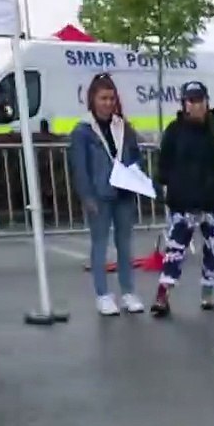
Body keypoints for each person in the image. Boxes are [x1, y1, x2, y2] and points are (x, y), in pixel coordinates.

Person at [150, 81, 214, 317]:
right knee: (175, 249)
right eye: (191, 100)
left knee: (212, 248)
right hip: (183, 201)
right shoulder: (174, 130)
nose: (196, 105)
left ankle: (208, 292)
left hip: (213, 200)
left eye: (199, 100)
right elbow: (163, 162)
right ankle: (163, 294)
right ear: (184, 103)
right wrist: (165, 184)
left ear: (206, 101)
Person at [67, 73, 146, 316]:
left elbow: (134, 156)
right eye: (103, 98)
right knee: (100, 245)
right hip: (99, 195)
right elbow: (79, 167)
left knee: (125, 244)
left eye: (111, 98)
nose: (108, 103)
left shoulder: (123, 126)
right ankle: (102, 294)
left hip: (123, 193)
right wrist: (87, 197)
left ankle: (128, 292)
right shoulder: (82, 131)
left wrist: (137, 177)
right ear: (93, 99)